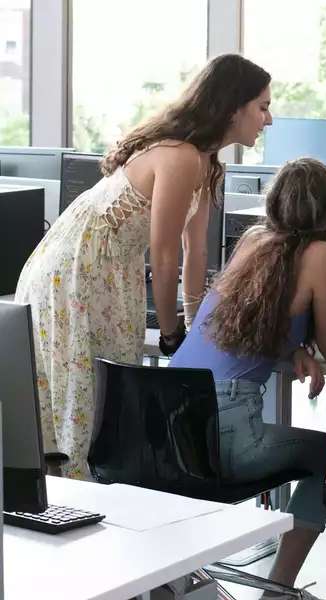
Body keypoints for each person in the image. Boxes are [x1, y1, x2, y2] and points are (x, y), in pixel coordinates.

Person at [14, 53, 272, 479]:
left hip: (107, 268)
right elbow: (164, 251)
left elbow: (196, 254)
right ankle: (74, 504)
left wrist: (192, 332)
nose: (269, 118)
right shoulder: (181, 155)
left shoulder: (205, 164)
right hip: (79, 267)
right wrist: (171, 334)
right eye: (262, 106)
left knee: (102, 398)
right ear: (233, 107)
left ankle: (87, 505)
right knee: (85, 396)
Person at [170, 157, 326, 587]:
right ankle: (280, 588)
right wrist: (306, 345)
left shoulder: (252, 240)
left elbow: (244, 325)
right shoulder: (320, 253)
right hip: (225, 430)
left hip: (167, 418)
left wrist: (291, 350)